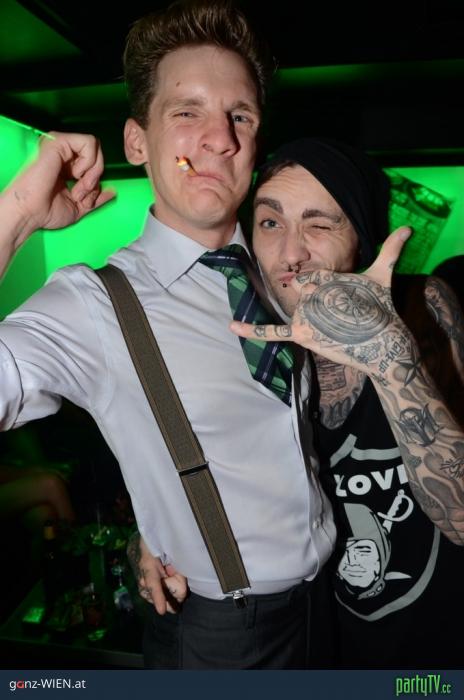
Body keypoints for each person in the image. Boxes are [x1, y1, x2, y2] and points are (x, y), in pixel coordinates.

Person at [0, 0, 335, 669]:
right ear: (136, 143)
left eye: (240, 116)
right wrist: (17, 213)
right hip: (225, 640)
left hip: (331, 609)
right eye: (188, 112)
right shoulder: (91, 302)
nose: (220, 139)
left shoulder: (283, 268)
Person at [136, 137, 464, 669]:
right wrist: (156, 536)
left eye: (320, 224)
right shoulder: (244, 342)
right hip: (311, 650)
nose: (291, 254)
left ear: (363, 238)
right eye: (271, 223)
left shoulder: (422, 308)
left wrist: (388, 357)